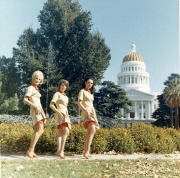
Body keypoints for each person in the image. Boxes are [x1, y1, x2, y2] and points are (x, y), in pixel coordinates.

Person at [23, 70, 46, 158]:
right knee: (40, 130)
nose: (37, 80)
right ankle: (31, 150)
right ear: (33, 78)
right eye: (36, 78)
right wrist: (35, 107)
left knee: (37, 130)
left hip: (39, 110)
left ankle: (31, 150)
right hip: (35, 110)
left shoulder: (36, 88)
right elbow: (25, 100)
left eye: (39, 79)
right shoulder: (31, 88)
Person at [78, 77, 99, 159]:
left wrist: (93, 113)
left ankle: (85, 151)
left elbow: (91, 104)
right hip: (86, 111)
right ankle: (86, 151)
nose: (90, 84)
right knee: (92, 129)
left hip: (92, 112)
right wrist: (86, 111)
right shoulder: (82, 91)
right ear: (85, 82)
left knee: (90, 131)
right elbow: (79, 103)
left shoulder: (91, 93)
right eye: (88, 82)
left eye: (91, 83)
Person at [49, 79, 71, 159]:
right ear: (59, 86)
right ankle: (61, 151)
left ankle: (59, 150)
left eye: (65, 85)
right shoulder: (57, 94)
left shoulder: (66, 96)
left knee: (60, 132)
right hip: (60, 113)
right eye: (62, 85)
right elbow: (51, 105)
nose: (63, 87)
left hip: (65, 114)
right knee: (66, 131)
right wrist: (58, 112)